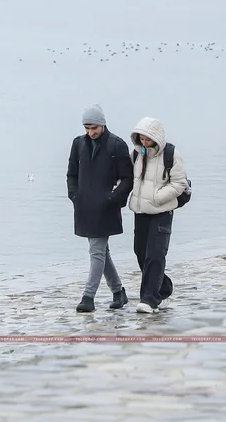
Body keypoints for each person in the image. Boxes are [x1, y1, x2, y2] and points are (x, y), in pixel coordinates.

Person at [66, 104, 133, 313]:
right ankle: (118, 292)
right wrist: (75, 196)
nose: (90, 132)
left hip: (106, 208)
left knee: (96, 251)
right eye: (87, 128)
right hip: (84, 207)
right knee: (101, 251)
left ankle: (88, 297)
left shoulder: (117, 145)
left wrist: (113, 198)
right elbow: (71, 174)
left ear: (102, 124)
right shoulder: (78, 144)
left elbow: (127, 178)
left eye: (93, 127)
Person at [128, 117, 188, 314]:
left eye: (147, 139)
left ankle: (149, 299)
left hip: (162, 211)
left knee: (155, 254)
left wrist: (157, 198)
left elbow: (179, 183)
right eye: (141, 139)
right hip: (141, 211)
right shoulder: (137, 155)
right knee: (140, 253)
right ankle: (163, 288)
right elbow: (130, 178)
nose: (144, 143)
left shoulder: (171, 154)